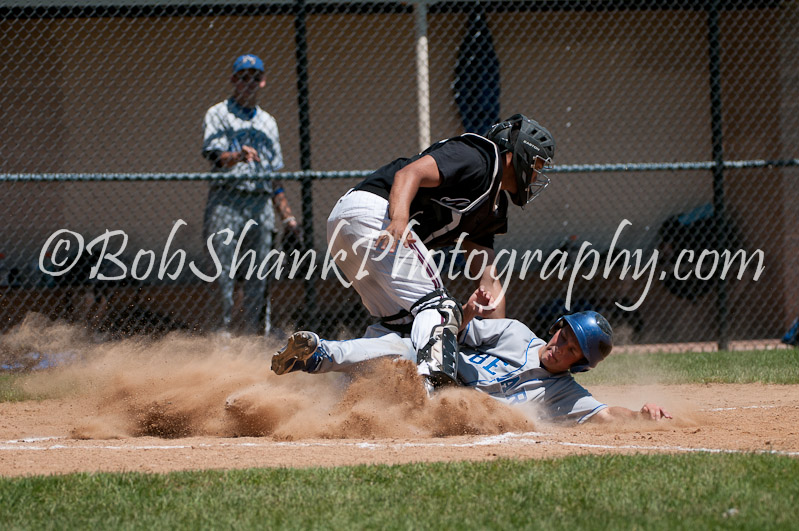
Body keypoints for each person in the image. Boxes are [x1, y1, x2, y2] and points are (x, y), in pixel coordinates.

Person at [326, 114, 555, 388]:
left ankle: (343, 389)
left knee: (401, 328)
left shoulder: (493, 207)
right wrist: (399, 219)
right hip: (376, 214)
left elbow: (489, 281)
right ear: (517, 154)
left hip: (347, 227)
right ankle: (432, 385)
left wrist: (499, 343)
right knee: (441, 308)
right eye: (537, 164)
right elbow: (409, 173)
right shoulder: (479, 157)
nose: (536, 175)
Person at [270, 288, 672, 424]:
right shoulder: (516, 333)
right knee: (404, 346)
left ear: (579, 364)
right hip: (429, 376)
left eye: (571, 350)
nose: (559, 346)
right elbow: (453, 334)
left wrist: (641, 415)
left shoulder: (564, 393)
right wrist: (466, 311)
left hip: (438, 407)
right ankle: (316, 355)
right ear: (557, 328)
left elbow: (604, 414)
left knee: (356, 402)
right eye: (563, 335)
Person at [202, 54, 300, 336]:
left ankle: (256, 337)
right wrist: (238, 156)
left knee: (260, 274)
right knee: (222, 273)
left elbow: (273, 175)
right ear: (234, 80)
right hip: (227, 198)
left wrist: (288, 217)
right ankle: (221, 337)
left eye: (255, 77)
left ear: (263, 81)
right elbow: (214, 155)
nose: (249, 82)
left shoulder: (268, 122)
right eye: (243, 77)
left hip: (260, 201)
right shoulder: (218, 113)